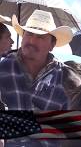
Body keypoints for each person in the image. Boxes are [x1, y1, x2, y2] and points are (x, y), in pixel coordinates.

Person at [0, 10, 73, 147]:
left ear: (52, 45)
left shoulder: (65, 78)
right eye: (29, 34)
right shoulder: (3, 69)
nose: (32, 41)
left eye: (40, 37)